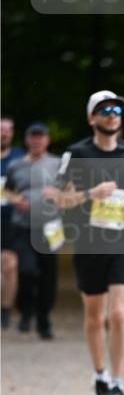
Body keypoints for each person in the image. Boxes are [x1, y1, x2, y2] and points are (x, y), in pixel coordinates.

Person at [45, 91, 124, 395]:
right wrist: (91, 193)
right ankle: (99, 374)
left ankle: (117, 381)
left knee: (118, 312)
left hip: (122, 240)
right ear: (92, 118)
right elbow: (59, 198)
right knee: (94, 316)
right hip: (88, 242)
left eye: (116, 109)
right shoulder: (76, 154)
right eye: (104, 110)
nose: (112, 114)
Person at [4, 123, 61, 338]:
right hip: (22, 226)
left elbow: (71, 190)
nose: (37, 141)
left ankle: (44, 319)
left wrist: (58, 194)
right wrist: (15, 199)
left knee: (48, 276)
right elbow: (7, 190)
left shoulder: (57, 163)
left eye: (41, 137)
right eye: (33, 137)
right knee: (26, 271)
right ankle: (26, 310)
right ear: (27, 140)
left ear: (47, 140)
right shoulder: (16, 165)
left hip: (49, 226)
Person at [1, 115, 25, 329]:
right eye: (1, 129)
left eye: (9, 129)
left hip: (11, 221)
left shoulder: (19, 158)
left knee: (10, 265)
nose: (4, 132)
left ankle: (6, 310)